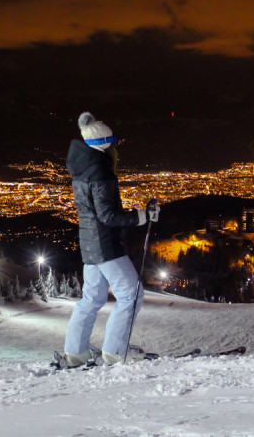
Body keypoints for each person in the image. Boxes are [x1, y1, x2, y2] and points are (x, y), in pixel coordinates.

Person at [63, 111, 159, 367]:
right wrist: (142, 216)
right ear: (105, 143)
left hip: (89, 244)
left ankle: (76, 352)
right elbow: (107, 216)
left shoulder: (83, 167)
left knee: (91, 299)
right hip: (106, 245)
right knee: (131, 294)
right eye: (113, 141)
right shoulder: (100, 171)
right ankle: (116, 352)